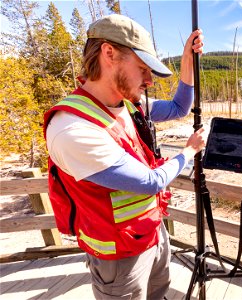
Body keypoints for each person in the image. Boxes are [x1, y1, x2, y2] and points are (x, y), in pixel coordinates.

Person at [43, 14, 206, 299]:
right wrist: (189, 151)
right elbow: (151, 181)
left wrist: (187, 61)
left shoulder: (128, 105)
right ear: (109, 54)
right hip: (118, 257)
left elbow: (180, 107)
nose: (149, 81)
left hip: (152, 233)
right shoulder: (72, 129)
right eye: (142, 68)